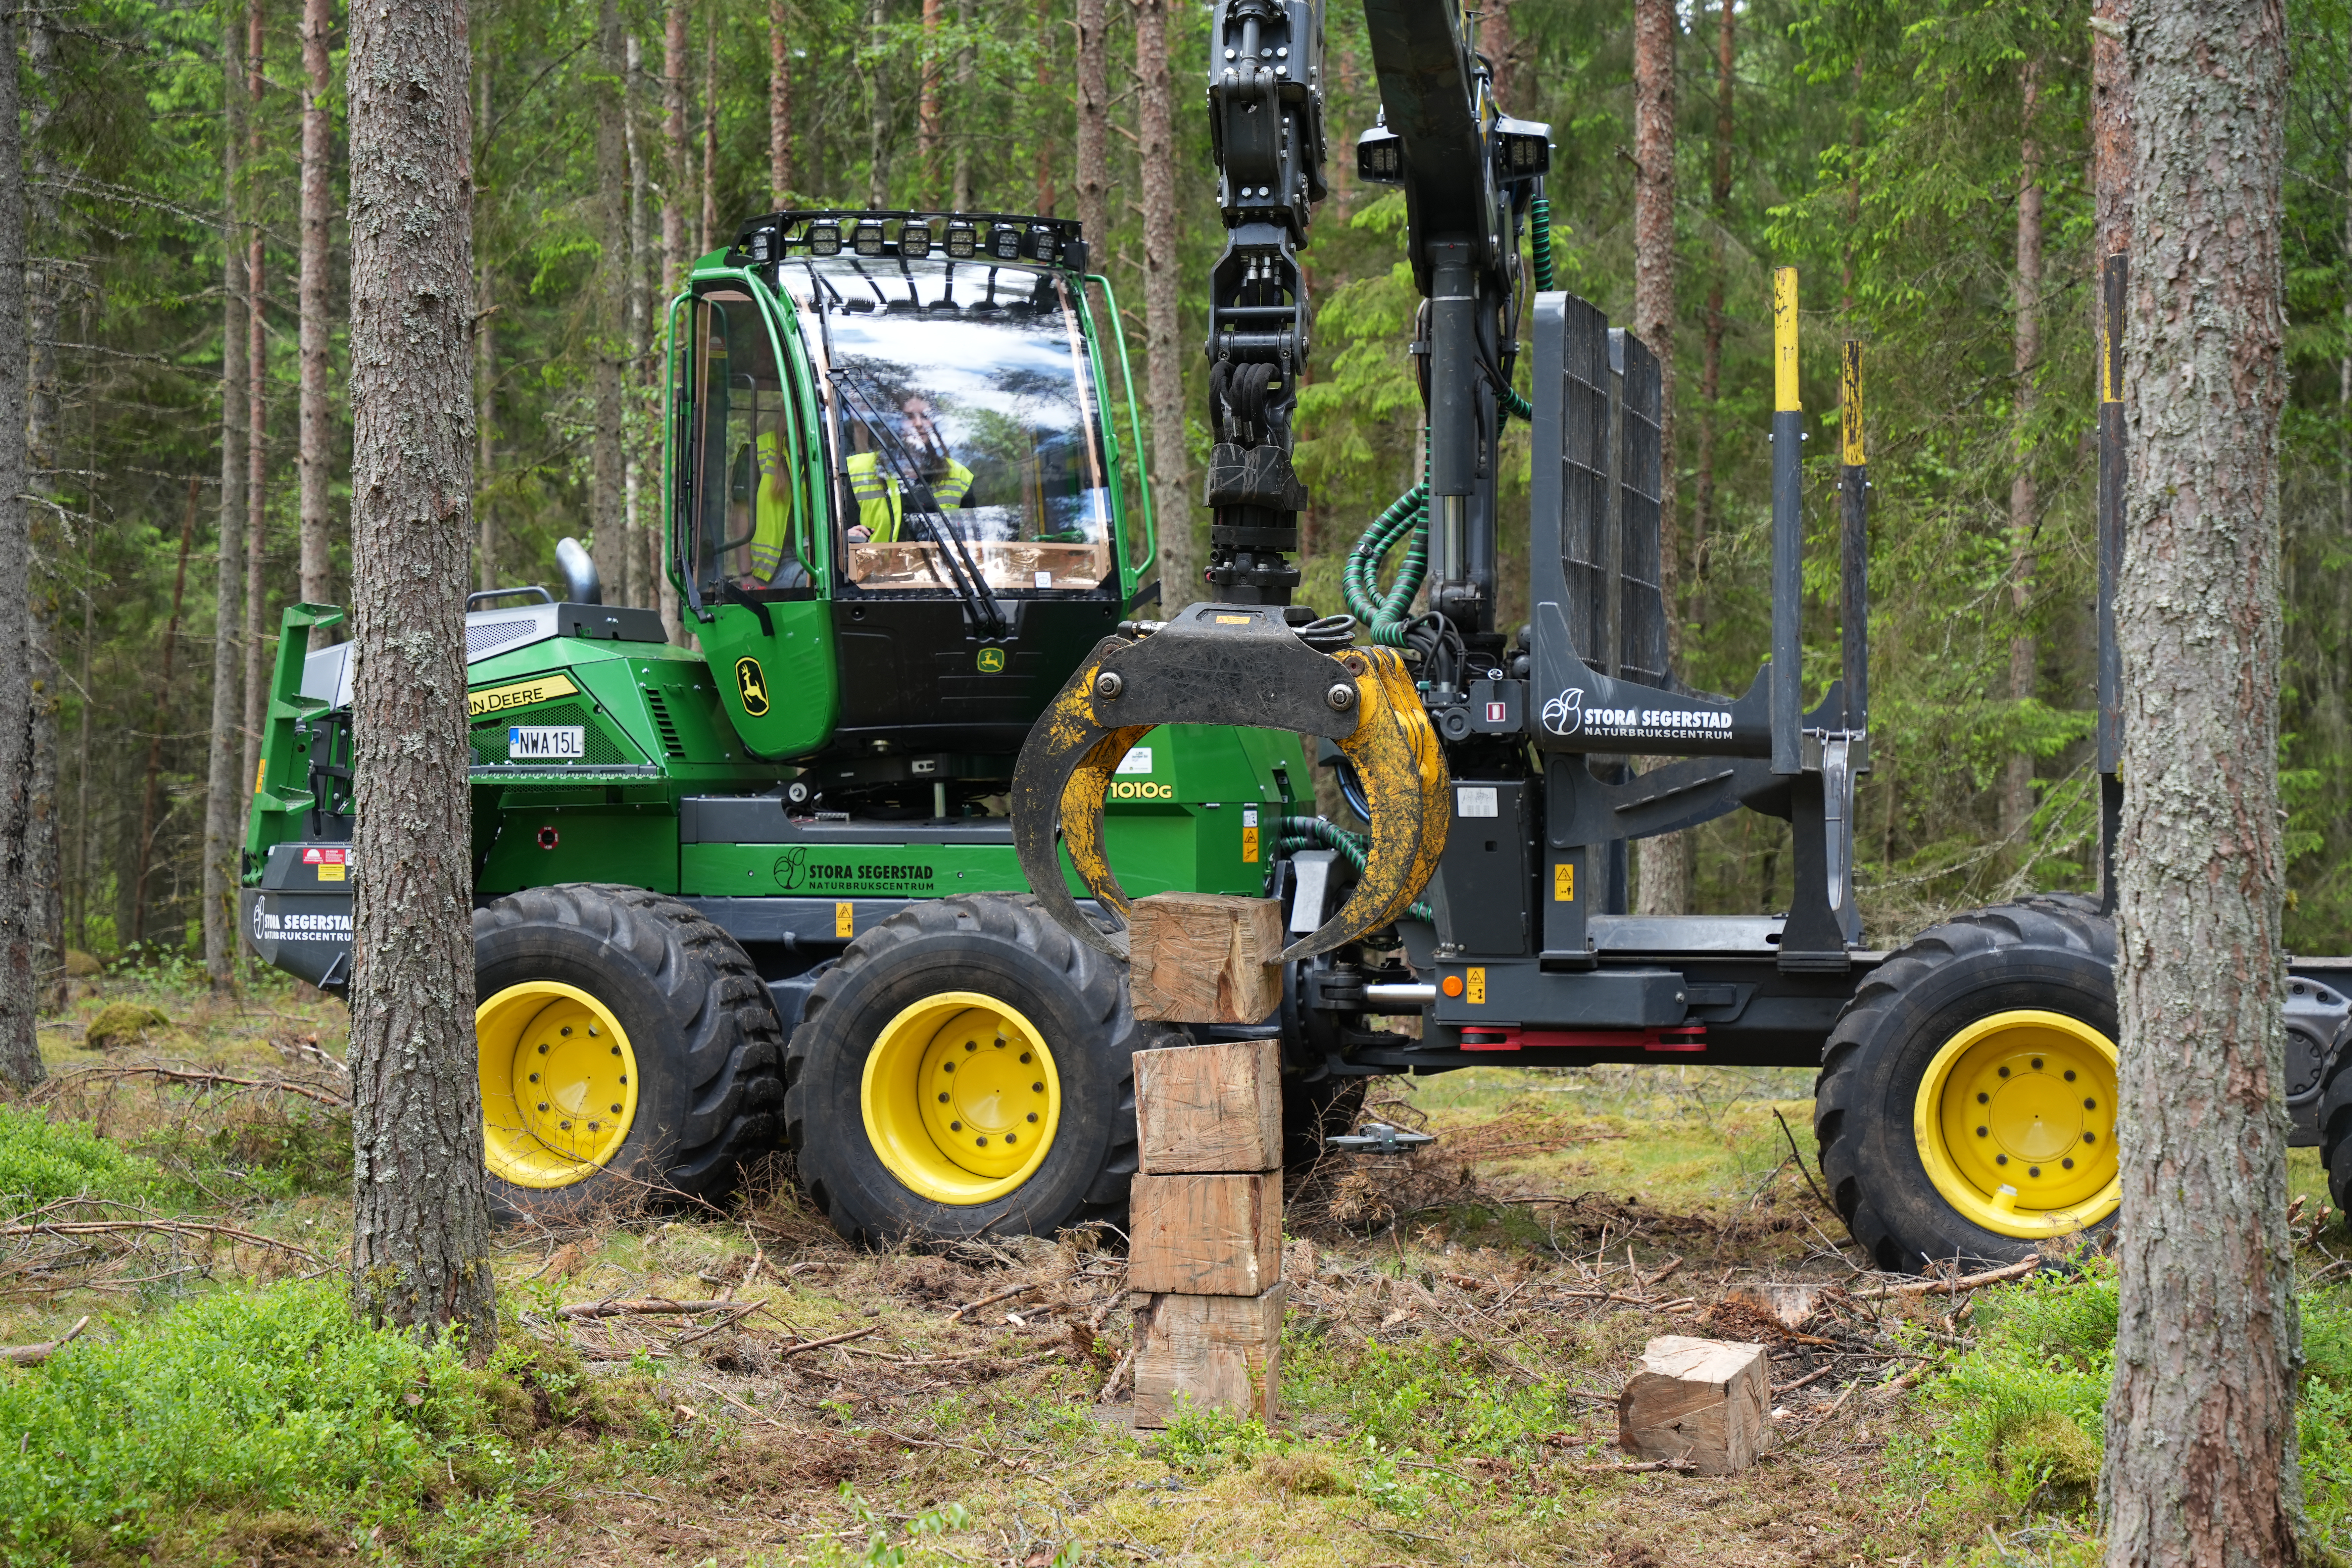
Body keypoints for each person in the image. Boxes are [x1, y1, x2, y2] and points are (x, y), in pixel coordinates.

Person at [845, 394, 974, 543]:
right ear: (895, 423)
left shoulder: (960, 475)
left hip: (944, 565)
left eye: (926, 416)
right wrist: (843, 538)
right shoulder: (857, 469)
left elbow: (973, 538)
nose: (919, 424)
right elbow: (828, 532)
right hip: (874, 565)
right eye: (909, 417)